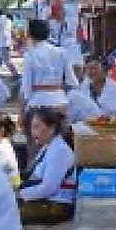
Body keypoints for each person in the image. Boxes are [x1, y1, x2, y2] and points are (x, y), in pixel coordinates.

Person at [19, 19, 79, 149]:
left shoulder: (30, 55)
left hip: (38, 103)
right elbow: (73, 82)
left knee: (36, 150)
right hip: (60, 102)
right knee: (61, 146)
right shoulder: (62, 52)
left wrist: (21, 112)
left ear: (30, 34)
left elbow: (26, 88)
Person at [18, 107, 76, 225]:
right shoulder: (47, 147)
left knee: (4, 215)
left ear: (51, 128)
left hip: (57, 205)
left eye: (36, 127)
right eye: (32, 127)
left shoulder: (60, 151)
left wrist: (20, 195)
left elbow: (48, 188)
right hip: (45, 200)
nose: (33, 132)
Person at [0, 10, 19, 77]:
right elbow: (12, 31)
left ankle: (15, 73)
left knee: (6, 60)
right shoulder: (8, 20)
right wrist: (15, 40)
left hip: (1, 43)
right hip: (8, 42)